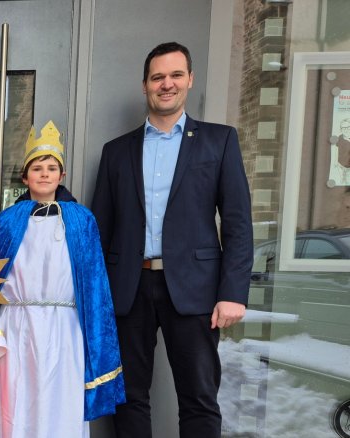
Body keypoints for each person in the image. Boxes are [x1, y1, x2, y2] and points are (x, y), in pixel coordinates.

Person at [90, 42, 253, 438]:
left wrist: (233, 292)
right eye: (158, 77)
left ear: (190, 80)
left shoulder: (219, 141)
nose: (167, 84)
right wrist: (98, 297)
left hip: (196, 289)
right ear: (145, 85)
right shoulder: (116, 152)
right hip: (128, 288)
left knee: (198, 397)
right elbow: (101, 229)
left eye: (176, 75)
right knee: (128, 396)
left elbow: (237, 223)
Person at [0, 121, 125, 437]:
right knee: (18, 401)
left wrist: (94, 342)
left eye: (51, 167)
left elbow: (95, 285)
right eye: (36, 168)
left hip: (66, 329)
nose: (44, 174)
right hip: (18, 327)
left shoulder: (81, 220)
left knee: (63, 403)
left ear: (61, 176)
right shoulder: (6, 223)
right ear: (24, 177)